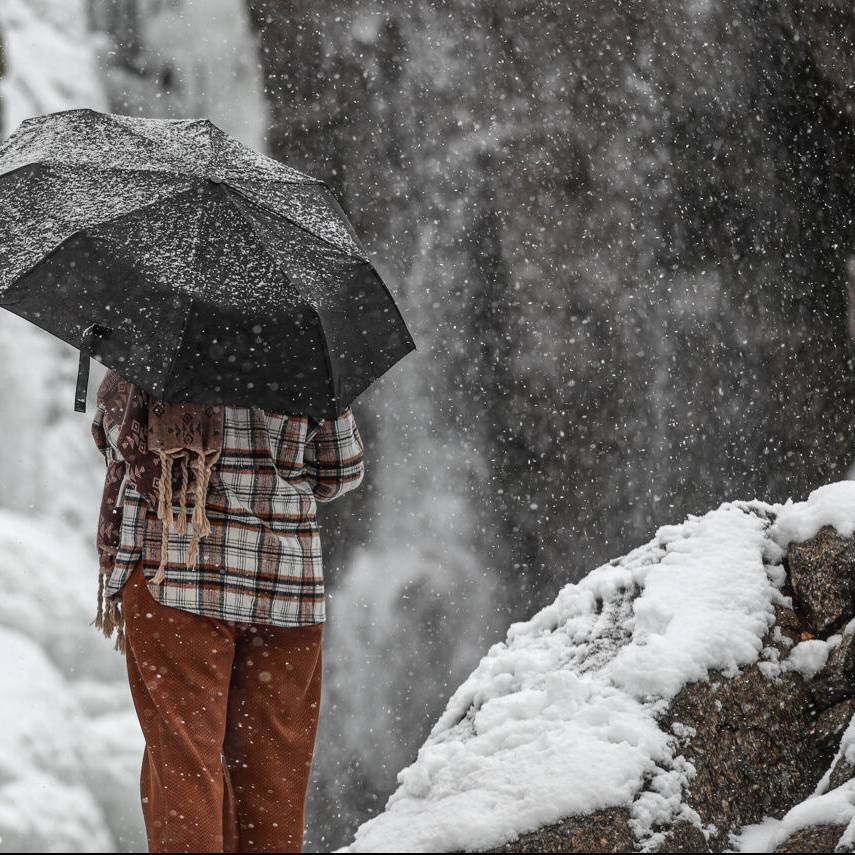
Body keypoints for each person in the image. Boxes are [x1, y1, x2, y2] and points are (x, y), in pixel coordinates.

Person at [90, 370, 365, 854]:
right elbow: (339, 473)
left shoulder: (161, 348)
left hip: (177, 579)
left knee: (185, 772)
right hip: (286, 590)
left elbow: (119, 439)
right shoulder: (305, 354)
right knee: (274, 783)